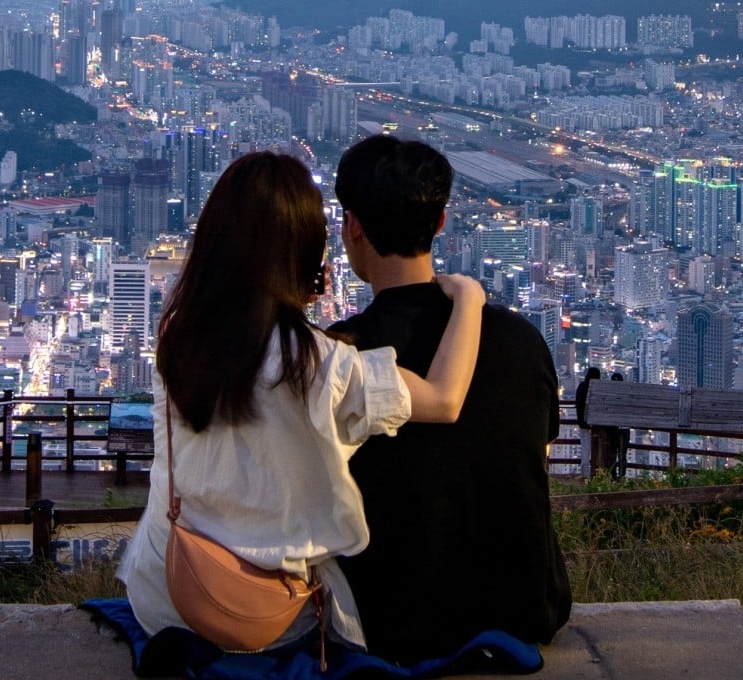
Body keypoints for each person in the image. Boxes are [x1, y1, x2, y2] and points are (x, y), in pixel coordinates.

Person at [117, 151, 486, 652]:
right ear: (303, 250)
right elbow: (444, 399)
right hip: (262, 614)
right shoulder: (318, 364)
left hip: (166, 590)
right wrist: (469, 300)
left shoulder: (178, 337)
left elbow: (250, 338)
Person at [330, 135, 571, 664]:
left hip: (395, 619)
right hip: (526, 606)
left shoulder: (341, 355)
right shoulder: (521, 341)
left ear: (352, 226)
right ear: (439, 225)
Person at [575, 366, 602, 478]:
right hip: (597, 423)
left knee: (585, 448)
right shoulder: (598, 387)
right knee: (599, 448)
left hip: (583, 423)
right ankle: (598, 472)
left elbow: (578, 404)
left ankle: (585, 473)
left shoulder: (582, 386)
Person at [606, 372, 630, 480]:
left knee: (612, 454)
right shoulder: (627, 394)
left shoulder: (609, 394)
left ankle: (612, 475)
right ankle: (621, 476)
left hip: (612, 428)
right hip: (624, 429)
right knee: (622, 454)